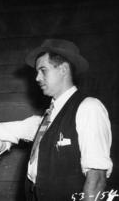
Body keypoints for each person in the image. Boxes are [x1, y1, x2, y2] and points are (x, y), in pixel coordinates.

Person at [23, 39, 113, 201]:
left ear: (63, 69)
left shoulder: (89, 107)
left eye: (43, 70)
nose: (37, 78)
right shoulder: (50, 113)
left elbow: (97, 179)